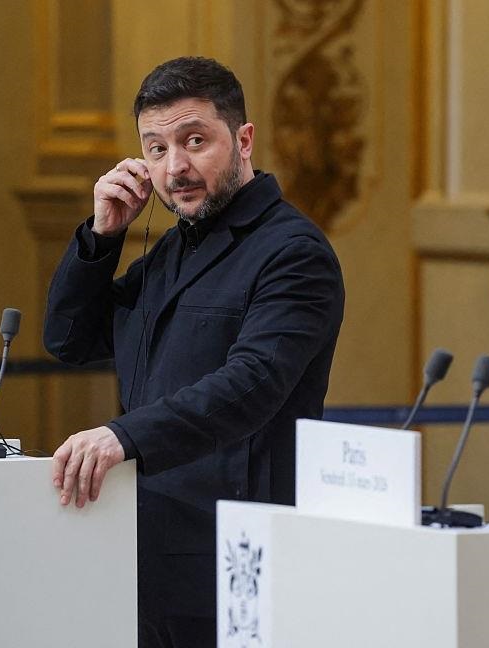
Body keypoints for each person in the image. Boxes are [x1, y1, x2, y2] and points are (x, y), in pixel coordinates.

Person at [43, 56, 345, 648]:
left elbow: (253, 382)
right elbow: (70, 339)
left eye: (195, 141)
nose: (174, 167)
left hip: (234, 555)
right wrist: (103, 237)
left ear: (244, 140)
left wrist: (123, 436)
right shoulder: (172, 249)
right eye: (155, 149)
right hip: (146, 545)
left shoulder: (293, 252)